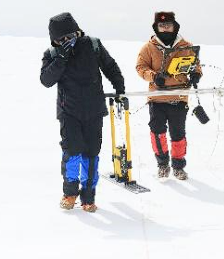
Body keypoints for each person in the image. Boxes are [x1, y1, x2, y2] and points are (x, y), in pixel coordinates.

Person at [40, 12, 125, 212]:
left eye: (69, 36)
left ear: (77, 32)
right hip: (69, 111)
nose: (66, 41)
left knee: (91, 153)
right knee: (72, 152)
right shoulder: (52, 54)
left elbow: (110, 66)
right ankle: (70, 194)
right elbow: (46, 80)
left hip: (94, 109)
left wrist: (119, 87)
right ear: (54, 40)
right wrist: (61, 58)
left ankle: (88, 197)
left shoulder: (92, 45)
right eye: (60, 39)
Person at [136, 11, 202, 180]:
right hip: (157, 98)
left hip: (179, 97)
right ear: (156, 27)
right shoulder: (148, 47)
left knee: (178, 134)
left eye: (168, 25)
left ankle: (178, 167)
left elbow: (196, 64)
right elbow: (141, 67)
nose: (165, 28)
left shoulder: (186, 46)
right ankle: (163, 164)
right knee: (157, 132)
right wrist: (153, 76)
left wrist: (196, 74)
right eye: (161, 25)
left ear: (175, 26)